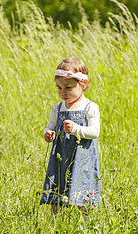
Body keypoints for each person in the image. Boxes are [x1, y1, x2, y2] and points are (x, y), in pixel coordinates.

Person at [40, 57, 102, 220]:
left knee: (82, 184)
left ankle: (85, 221)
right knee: (58, 183)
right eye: (59, 88)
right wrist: (48, 133)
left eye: (68, 87)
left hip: (82, 156)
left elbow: (95, 132)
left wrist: (76, 129)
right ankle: (55, 220)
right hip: (61, 156)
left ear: (83, 84)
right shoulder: (57, 108)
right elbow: (50, 126)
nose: (63, 92)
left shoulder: (90, 107)